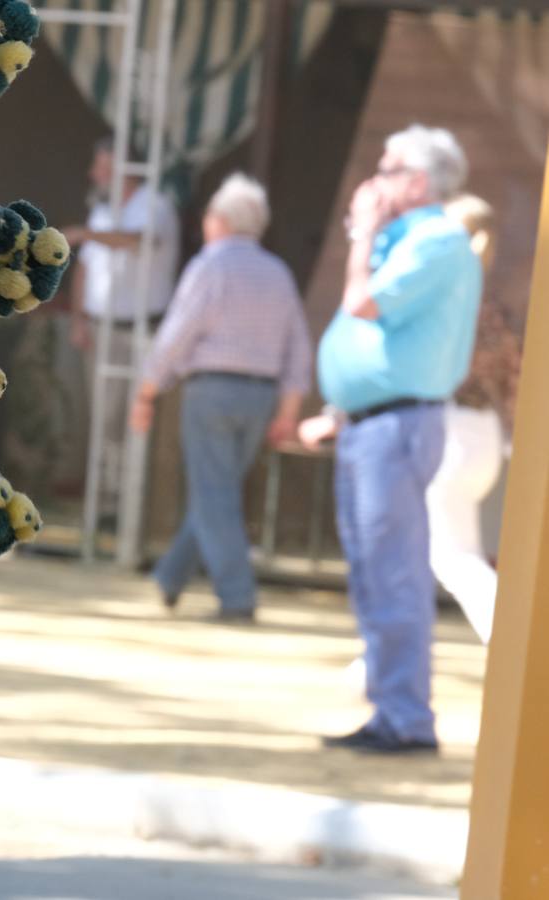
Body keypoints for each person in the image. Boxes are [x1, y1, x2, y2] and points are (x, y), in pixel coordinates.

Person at [298, 125, 482, 755]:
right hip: (371, 424)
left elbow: (362, 305)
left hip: (399, 426)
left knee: (394, 573)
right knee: (376, 575)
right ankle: (390, 711)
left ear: (420, 182)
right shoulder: (410, 238)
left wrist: (364, 233)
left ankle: (406, 720)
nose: (375, 178)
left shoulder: (436, 240)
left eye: (389, 166)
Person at [130, 174, 312, 622]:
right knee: (220, 492)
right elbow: (298, 347)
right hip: (261, 395)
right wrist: (288, 409)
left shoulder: (210, 266)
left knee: (214, 493)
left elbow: (177, 334)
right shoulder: (279, 273)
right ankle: (171, 577)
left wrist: (148, 390)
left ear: (223, 221)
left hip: (212, 391)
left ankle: (237, 597)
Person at [61, 138, 180, 498]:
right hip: (101, 330)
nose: (93, 174)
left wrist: (85, 234)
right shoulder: (102, 211)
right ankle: (106, 503)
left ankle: (132, 508)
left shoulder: (155, 206)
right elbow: (83, 270)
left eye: (102, 166)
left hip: (142, 330)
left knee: (137, 423)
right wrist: (78, 321)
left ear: (124, 170)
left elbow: (136, 240)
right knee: (104, 422)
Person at [424, 194, 516, 644]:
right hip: (483, 435)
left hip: (450, 434)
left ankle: (507, 636)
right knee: (449, 552)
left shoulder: (445, 302)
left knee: (452, 557)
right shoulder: (492, 307)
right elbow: (512, 377)